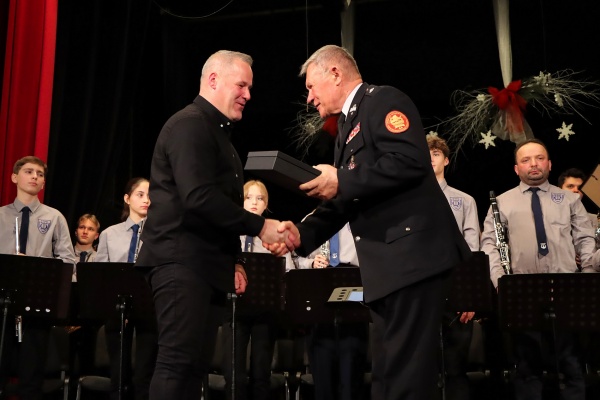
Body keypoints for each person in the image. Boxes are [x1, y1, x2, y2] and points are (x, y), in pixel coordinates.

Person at [269, 45, 472, 400]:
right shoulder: (347, 127)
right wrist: (300, 234)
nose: (309, 98)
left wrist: (341, 180)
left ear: (335, 73)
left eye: (311, 87)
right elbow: (347, 199)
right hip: (387, 268)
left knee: (406, 377)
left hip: (412, 259)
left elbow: (409, 162)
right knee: (386, 375)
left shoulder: (382, 101)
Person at [135, 50, 297, 400]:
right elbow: (198, 197)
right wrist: (260, 226)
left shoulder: (216, 135)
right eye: (241, 85)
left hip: (204, 265)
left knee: (195, 368)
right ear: (213, 80)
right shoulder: (189, 125)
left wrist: (234, 259)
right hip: (180, 261)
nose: (248, 95)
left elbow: (220, 205)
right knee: (177, 363)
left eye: (249, 88)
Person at [480, 138, 600, 400]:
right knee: (526, 368)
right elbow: (489, 246)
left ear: (549, 164)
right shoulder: (501, 202)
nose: (533, 164)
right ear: (516, 169)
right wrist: (501, 282)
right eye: (526, 160)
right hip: (522, 292)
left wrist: (588, 279)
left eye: (539, 158)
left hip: (566, 290)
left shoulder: (569, 199)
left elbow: (585, 240)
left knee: (571, 365)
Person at [0, 156, 76, 400]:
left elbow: (68, 260)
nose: (35, 176)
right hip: (2, 301)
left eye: (40, 174)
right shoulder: (0, 215)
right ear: (14, 177)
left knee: (31, 378)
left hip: (37, 303)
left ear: (43, 183)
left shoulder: (54, 217)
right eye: (29, 171)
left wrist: (37, 268)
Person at [222, 180, 294, 400]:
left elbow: (289, 271)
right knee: (233, 374)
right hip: (234, 309)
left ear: (266, 204)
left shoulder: (274, 235)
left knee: (261, 373)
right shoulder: (230, 233)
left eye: (260, 198)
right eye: (248, 197)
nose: (254, 202)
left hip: (265, 310)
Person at [428, 134, 480, 400]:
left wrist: (469, 295)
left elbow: (472, 250)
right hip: (422, 293)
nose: (430, 159)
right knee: (424, 372)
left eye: (435, 154)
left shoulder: (464, 200)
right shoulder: (405, 201)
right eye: (425, 154)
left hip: (456, 291)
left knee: (456, 369)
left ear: (446, 160)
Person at [95, 177, 156, 400]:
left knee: (144, 376)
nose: (146, 200)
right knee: (119, 376)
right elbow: (101, 276)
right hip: (117, 310)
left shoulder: (159, 234)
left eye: (150, 196)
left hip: (149, 310)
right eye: (140, 194)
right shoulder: (110, 234)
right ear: (127, 198)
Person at [295, 221, 368, 400]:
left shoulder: (360, 220)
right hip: (320, 289)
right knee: (323, 378)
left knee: (351, 377)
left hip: (353, 286)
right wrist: (311, 263)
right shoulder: (311, 220)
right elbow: (295, 258)